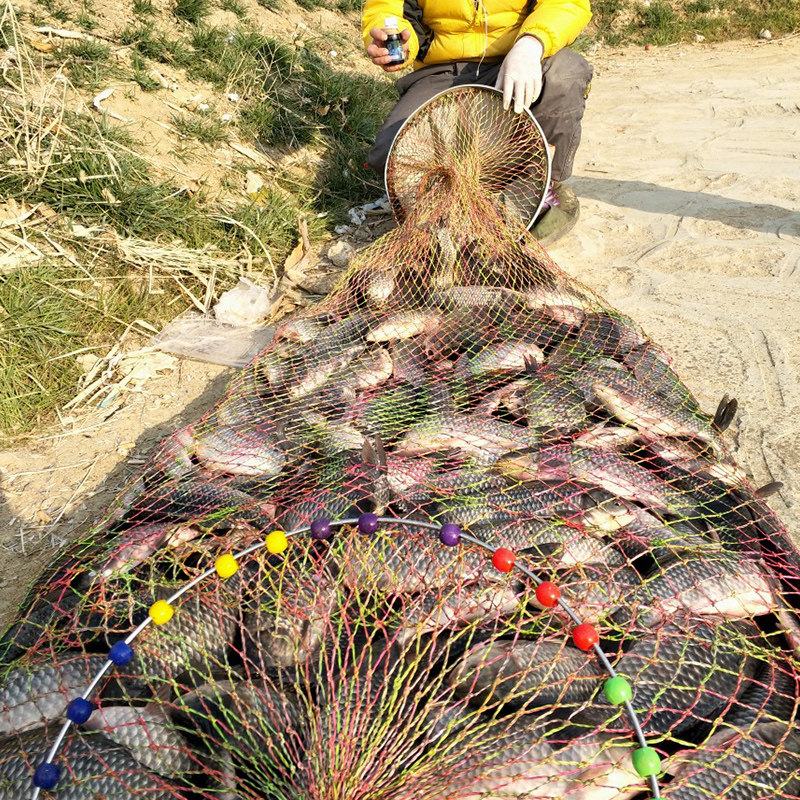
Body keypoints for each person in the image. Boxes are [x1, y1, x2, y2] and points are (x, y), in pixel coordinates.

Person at [362, 0, 593, 241]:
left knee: (565, 73)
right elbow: (388, 11)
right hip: (440, 70)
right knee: (389, 155)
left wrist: (531, 44)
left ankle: (541, 185)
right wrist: (395, 40)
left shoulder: (527, 49)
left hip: (516, 57)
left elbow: (567, 4)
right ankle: (464, 198)